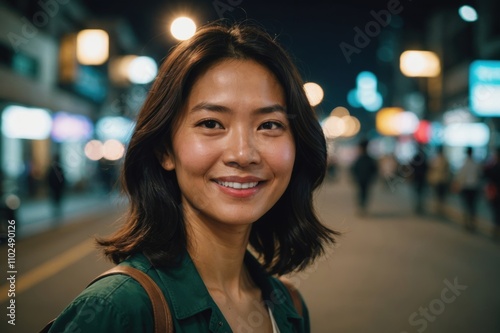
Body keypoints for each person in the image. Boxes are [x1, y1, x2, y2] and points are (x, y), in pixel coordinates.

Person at [47, 21, 338, 333]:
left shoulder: (288, 306)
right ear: (165, 150)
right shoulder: (117, 311)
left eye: (269, 125)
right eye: (211, 123)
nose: (242, 154)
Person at [454, 146, 482, 232]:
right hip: (473, 187)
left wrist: (458, 185)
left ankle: (467, 222)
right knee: (472, 206)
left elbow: (460, 176)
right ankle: (471, 223)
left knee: (466, 205)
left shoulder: (464, 163)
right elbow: (479, 175)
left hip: (466, 187)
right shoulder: (476, 163)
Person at [351, 139, 378, 216]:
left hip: (363, 179)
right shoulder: (366, 159)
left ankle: (362, 207)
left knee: (362, 193)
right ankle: (362, 207)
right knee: (363, 193)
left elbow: (354, 169)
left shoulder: (361, 159)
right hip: (364, 179)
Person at [426, 146, 451, 216]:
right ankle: (440, 209)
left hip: (438, 180)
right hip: (442, 180)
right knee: (441, 196)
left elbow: (431, 170)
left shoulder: (435, 159)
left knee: (438, 195)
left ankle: (439, 208)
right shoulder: (444, 159)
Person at [483, 147, 500, 240]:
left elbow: (487, 175)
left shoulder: (494, 166)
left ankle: (496, 229)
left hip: (495, 192)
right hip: (495, 191)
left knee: (496, 211)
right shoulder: (493, 166)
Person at [409, 144, 429, 215]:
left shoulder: (417, 157)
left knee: (417, 192)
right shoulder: (424, 157)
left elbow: (411, 166)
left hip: (417, 177)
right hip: (421, 177)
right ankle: (419, 205)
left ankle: (418, 205)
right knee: (420, 192)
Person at [47, 154, 65, 219]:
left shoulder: (53, 168)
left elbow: (49, 178)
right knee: (57, 199)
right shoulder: (57, 168)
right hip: (56, 187)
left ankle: (56, 211)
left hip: (55, 187)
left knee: (56, 199)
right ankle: (57, 211)